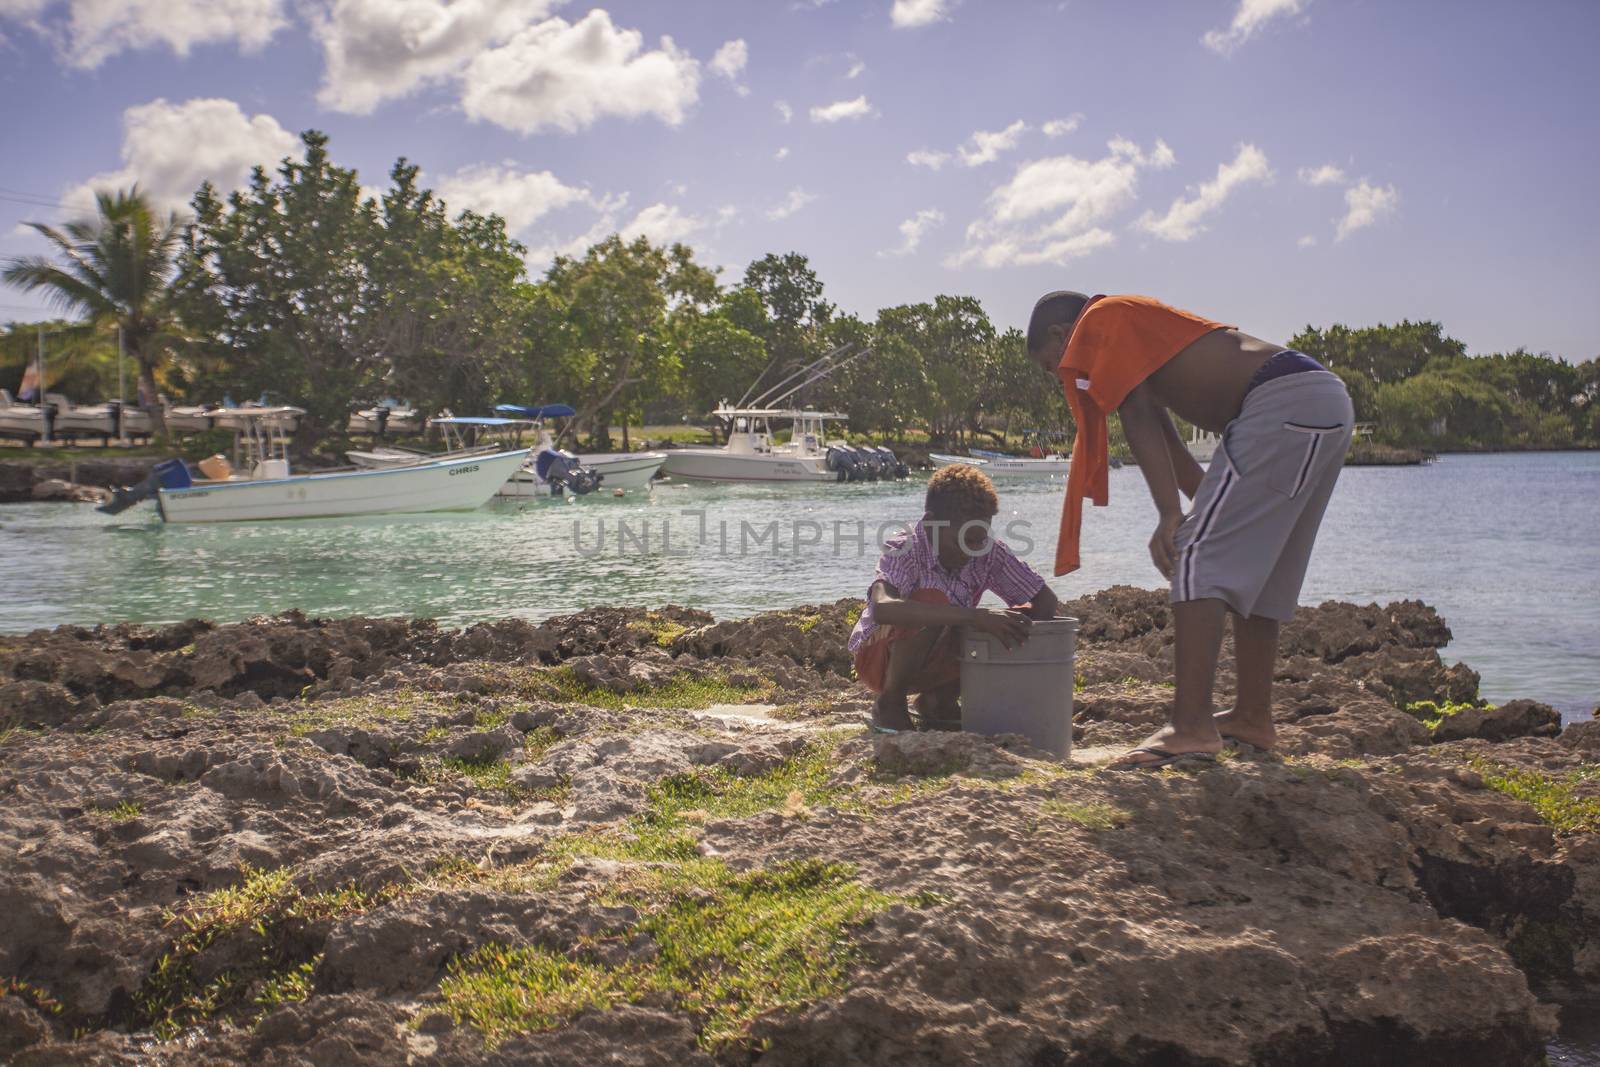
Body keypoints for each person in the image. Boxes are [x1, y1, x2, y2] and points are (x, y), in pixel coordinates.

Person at [1027, 292, 1354, 769]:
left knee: (1195, 554)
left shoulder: (1099, 319)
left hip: (1279, 400)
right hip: (1320, 400)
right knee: (1262, 571)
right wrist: (1202, 504)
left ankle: (1191, 727)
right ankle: (1252, 717)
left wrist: (1171, 517)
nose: (1062, 374)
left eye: (1050, 365)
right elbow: (1164, 430)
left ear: (1061, 335)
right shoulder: (1134, 338)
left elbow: (1136, 413)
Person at [848, 464, 1059, 733]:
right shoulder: (905, 548)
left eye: (980, 540)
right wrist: (974, 616)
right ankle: (890, 703)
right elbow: (882, 608)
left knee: (997, 621)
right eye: (967, 540)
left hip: (935, 658)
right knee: (935, 603)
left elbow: (1045, 602)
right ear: (931, 524)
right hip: (879, 658)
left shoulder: (987, 551)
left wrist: (1010, 625)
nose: (974, 551)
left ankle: (939, 701)